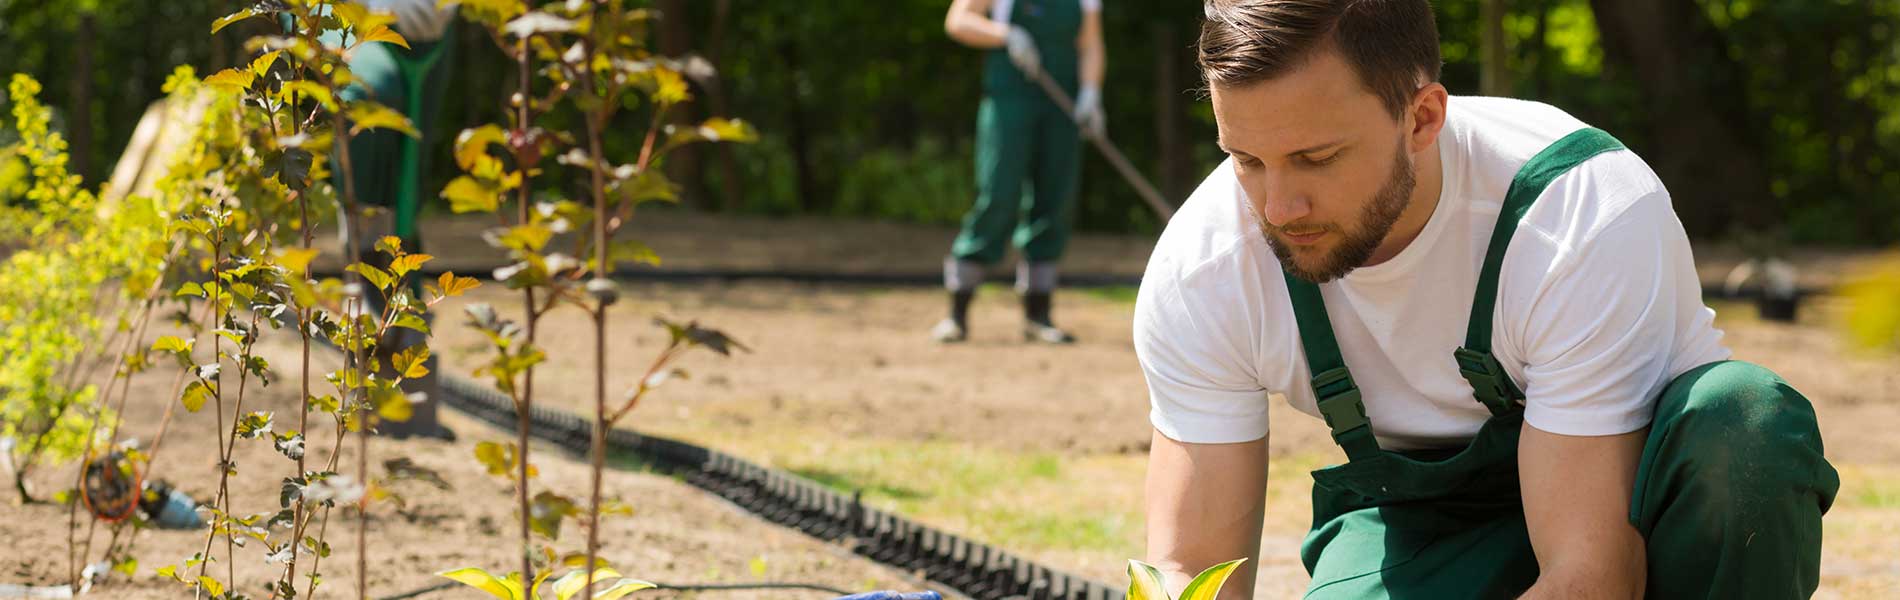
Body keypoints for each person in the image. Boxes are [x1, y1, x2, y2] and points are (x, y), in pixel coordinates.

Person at [1136, 1, 1838, 598]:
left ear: (1422, 118)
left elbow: (1592, 575)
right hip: (1429, 525)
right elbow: (1190, 572)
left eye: (1317, 159)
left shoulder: (1578, 214)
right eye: (1247, 160)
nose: (1279, 206)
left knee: (1744, 425)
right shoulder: (1203, 268)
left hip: (1643, 507)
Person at [936, 0, 1106, 344]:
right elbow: (958, 20)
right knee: (998, 194)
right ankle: (957, 312)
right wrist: (1005, 34)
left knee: (1055, 201)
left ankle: (1038, 315)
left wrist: (1091, 92)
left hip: (1061, 105)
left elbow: (1090, 43)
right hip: (1008, 101)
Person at [331, 0, 459, 439]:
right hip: (348, 13)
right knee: (369, 97)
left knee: (409, 158)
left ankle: (403, 295)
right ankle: (366, 262)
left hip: (429, 25)